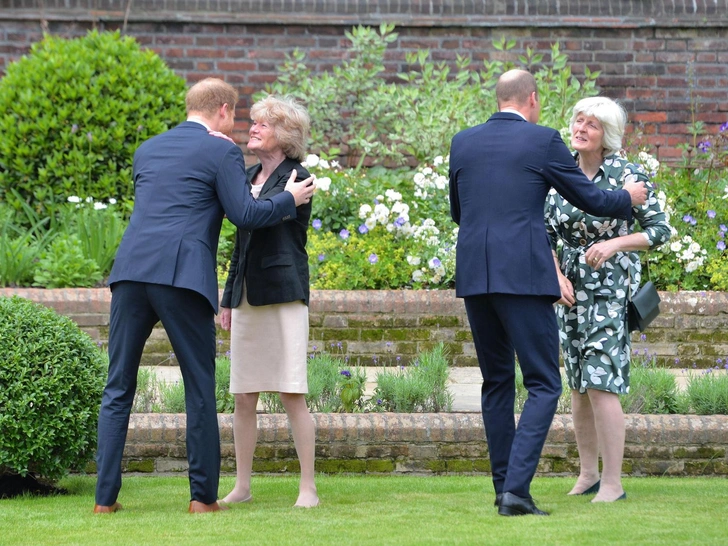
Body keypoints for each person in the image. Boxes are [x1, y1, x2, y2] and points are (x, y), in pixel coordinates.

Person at [94, 78, 315, 514]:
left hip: (130, 272)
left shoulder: (148, 149)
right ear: (223, 111)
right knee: (198, 387)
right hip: (182, 276)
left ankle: (104, 501)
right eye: (236, 118)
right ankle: (201, 499)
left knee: (117, 386)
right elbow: (244, 214)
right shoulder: (222, 151)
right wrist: (288, 199)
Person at [448, 69, 648, 517]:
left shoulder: (463, 141)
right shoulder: (542, 140)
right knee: (543, 382)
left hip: (476, 277)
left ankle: (503, 487)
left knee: (496, 382)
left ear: (498, 98)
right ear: (532, 99)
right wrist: (627, 197)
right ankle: (516, 491)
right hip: (522, 277)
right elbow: (591, 199)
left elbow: (458, 211)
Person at [545, 96, 671, 503]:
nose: (580, 128)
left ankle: (613, 482)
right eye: (578, 120)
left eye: (591, 125)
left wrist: (616, 243)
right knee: (579, 385)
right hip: (569, 292)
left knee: (602, 383)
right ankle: (587, 475)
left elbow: (660, 231)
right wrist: (556, 274)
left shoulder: (627, 174)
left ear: (607, 136)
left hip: (609, 288)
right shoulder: (559, 170)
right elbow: (542, 231)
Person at [217, 95, 319, 509]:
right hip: (245, 298)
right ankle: (242, 486)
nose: (253, 128)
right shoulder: (246, 175)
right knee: (244, 394)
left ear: (286, 134)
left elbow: (256, 216)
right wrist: (227, 299)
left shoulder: (301, 179)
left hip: (283, 296)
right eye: (253, 123)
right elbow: (240, 245)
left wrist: (276, 199)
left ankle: (308, 488)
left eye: (263, 124)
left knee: (292, 392)